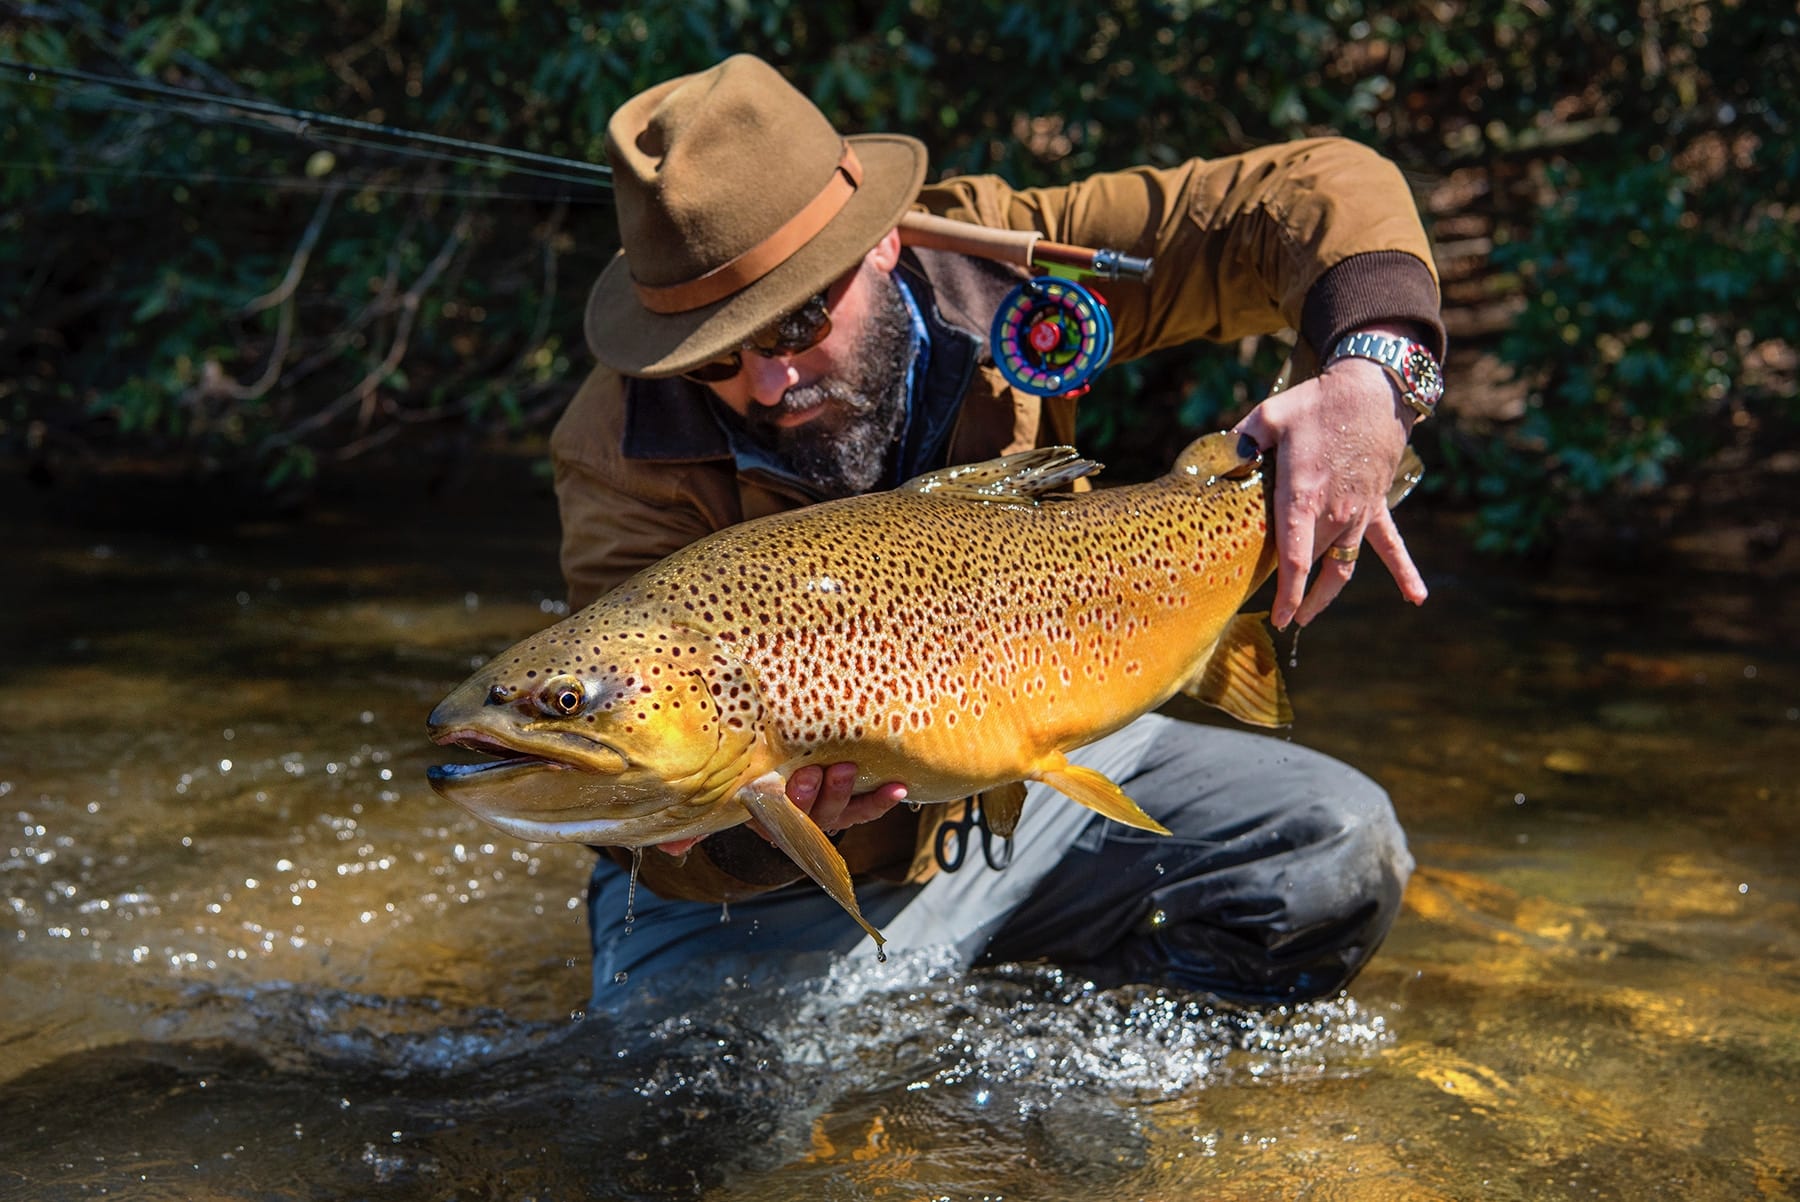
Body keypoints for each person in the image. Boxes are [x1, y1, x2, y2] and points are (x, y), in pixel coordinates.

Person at [551, 54, 1439, 1010]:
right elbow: (629, 782)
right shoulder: (617, 449)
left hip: (1042, 746)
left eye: (797, 323)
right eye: (712, 360)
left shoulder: (1004, 260)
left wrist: (1373, 373)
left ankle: (1081, 1068)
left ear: (881, 241)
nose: (768, 382)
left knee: (1331, 843)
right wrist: (744, 836)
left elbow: (1313, 191)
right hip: (786, 878)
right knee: (690, 1114)